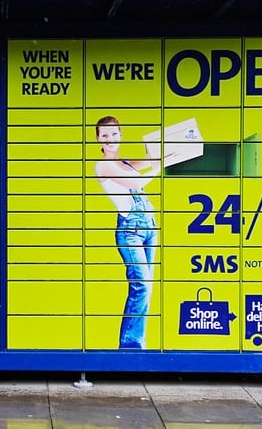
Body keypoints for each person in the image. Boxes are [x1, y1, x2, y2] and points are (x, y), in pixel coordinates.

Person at [94, 116, 160, 349]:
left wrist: (162, 152)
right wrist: (161, 165)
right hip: (130, 229)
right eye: (104, 135)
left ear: (121, 135)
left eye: (114, 134)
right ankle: (130, 346)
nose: (110, 139)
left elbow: (146, 162)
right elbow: (135, 182)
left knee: (147, 286)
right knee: (142, 285)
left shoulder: (124, 162)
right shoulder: (102, 165)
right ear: (98, 140)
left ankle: (137, 342)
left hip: (149, 225)